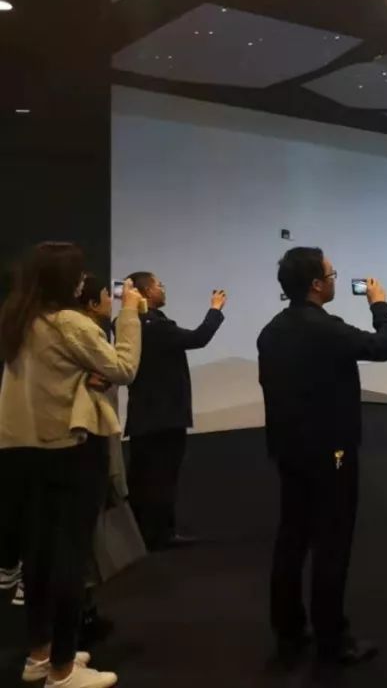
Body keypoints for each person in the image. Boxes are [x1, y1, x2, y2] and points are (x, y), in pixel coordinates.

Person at [0, 242, 143, 688]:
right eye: (80, 275)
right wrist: (129, 313)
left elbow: (59, 374)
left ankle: (40, 654)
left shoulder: (18, 320)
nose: (85, 282)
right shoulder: (69, 323)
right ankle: (62, 670)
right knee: (70, 559)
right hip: (69, 450)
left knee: (38, 556)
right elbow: (124, 367)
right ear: (66, 281)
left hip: (22, 452)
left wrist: (85, 375)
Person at [258, 247, 387, 669]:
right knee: (332, 542)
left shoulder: (270, 331)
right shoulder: (326, 329)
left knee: (291, 538)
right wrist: (379, 304)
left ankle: (288, 630)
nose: (336, 280)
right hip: (331, 451)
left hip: (288, 449)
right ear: (317, 285)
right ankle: (332, 639)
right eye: (332, 274)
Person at [124, 272, 226, 551]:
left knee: (146, 477)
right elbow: (199, 338)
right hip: (164, 416)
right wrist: (215, 309)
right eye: (159, 285)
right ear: (146, 292)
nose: (163, 289)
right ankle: (159, 534)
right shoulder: (154, 326)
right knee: (162, 476)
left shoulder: (133, 324)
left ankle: (146, 534)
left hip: (146, 415)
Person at [75, 277, 145, 647]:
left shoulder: (44, 328)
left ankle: (79, 615)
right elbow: (123, 368)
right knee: (83, 533)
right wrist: (130, 312)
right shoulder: (79, 330)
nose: (111, 298)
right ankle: (70, 631)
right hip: (84, 443)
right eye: (106, 295)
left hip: (80, 442)